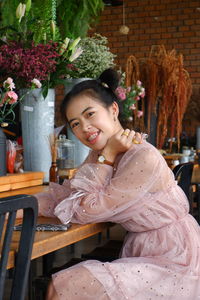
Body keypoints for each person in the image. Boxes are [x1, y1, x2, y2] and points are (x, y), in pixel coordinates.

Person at [36, 69, 200, 300]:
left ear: (113, 109)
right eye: (75, 123)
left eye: (90, 114)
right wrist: (27, 206)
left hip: (174, 258)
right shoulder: (100, 154)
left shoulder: (139, 155)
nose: (84, 127)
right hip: (144, 248)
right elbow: (73, 197)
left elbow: (86, 209)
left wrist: (108, 155)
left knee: (65, 286)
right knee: (62, 285)